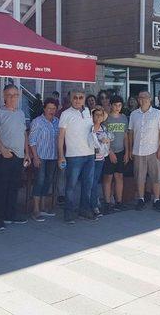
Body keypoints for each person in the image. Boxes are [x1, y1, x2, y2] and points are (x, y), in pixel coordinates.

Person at [0, 84, 30, 230]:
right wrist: (2, 149)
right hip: (5, 156)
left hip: (19, 156)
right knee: (1, 188)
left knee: (14, 187)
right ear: (4, 96)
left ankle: (10, 215)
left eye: (15, 95)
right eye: (10, 95)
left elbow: (24, 133)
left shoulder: (20, 113)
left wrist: (26, 153)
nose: (13, 98)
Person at [58, 89, 95, 224]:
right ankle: (69, 212)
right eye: (75, 97)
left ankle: (84, 209)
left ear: (84, 99)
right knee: (71, 186)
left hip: (90, 154)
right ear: (71, 98)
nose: (78, 100)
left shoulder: (89, 112)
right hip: (73, 156)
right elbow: (61, 136)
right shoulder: (65, 114)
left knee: (87, 185)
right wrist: (61, 155)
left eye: (80, 97)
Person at [129, 91, 160, 212]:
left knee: (156, 177)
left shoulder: (158, 113)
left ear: (150, 99)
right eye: (140, 97)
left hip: (154, 151)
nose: (142, 100)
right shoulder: (134, 114)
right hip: (138, 151)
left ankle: (156, 200)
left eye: (145, 97)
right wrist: (130, 149)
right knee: (139, 177)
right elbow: (130, 132)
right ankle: (141, 199)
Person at [29, 97, 59, 222]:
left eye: (54, 108)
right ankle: (35, 210)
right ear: (44, 108)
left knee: (48, 181)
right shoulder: (37, 121)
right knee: (39, 181)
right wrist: (35, 157)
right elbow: (32, 140)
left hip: (53, 156)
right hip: (41, 156)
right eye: (49, 108)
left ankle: (43, 207)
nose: (51, 111)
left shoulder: (57, 121)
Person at [103, 95, 129, 212]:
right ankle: (107, 203)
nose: (117, 107)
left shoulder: (124, 118)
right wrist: (110, 152)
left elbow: (125, 136)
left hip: (121, 151)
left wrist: (127, 152)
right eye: (115, 105)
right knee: (108, 177)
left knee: (119, 176)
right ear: (111, 105)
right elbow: (102, 136)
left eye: (119, 105)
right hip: (108, 152)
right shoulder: (106, 118)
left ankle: (119, 202)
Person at [87, 106, 111, 217]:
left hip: (100, 158)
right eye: (96, 114)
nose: (98, 117)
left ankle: (94, 204)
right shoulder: (89, 127)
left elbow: (108, 141)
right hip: (89, 158)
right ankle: (90, 205)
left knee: (95, 182)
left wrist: (106, 141)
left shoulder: (104, 128)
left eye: (101, 115)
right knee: (89, 182)